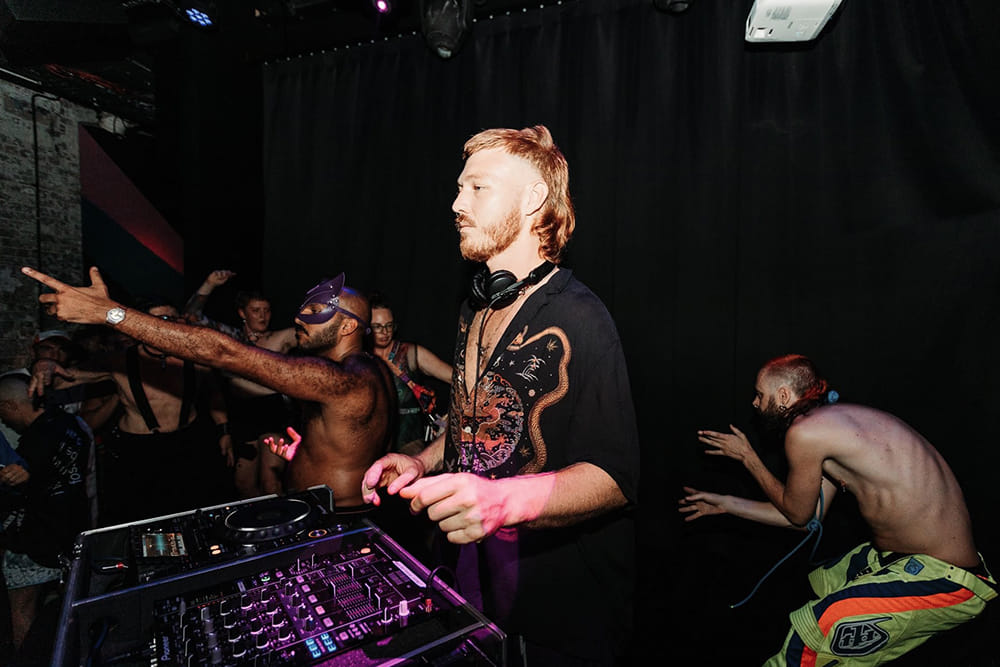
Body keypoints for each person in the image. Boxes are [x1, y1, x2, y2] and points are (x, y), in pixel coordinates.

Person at [361, 125, 640, 665]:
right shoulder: (477, 309)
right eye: (460, 187)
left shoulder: (580, 317)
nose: (456, 202)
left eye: (478, 188)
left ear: (534, 199)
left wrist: (503, 502)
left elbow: (616, 479)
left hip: (559, 608)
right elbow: (475, 425)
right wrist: (419, 461)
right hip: (480, 581)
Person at [679, 354, 997, 666]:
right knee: (822, 581)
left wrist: (749, 458)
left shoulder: (805, 433)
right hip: (898, 560)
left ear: (784, 395)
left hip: (944, 577)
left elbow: (798, 514)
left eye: (760, 395)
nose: (755, 404)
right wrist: (727, 504)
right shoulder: (833, 427)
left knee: (811, 637)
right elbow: (807, 520)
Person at [21, 268, 396, 511]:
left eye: (315, 313)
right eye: (303, 308)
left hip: (338, 517)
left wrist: (109, 313)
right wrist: (309, 452)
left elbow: (219, 350)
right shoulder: (365, 369)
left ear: (347, 327)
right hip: (323, 506)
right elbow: (355, 440)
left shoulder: (347, 379)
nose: (299, 317)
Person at [28, 299, 234, 525]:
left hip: (187, 442)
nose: (165, 324)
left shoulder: (196, 359)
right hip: (139, 449)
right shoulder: (120, 361)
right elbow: (64, 378)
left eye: (171, 319)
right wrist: (43, 365)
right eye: (158, 319)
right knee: (143, 519)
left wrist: (223, 431)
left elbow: (214, 393)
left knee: (193, 513)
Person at [184, 269, 297, 497]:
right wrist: (209, 283)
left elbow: (311, 334)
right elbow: (191, 318)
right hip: (242, 417)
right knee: (244, 486)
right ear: (242, 313)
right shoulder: (232, 339)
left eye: (266, 310)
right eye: (256, 311)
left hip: (272, 414)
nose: (263, 316)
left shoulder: (280, 338)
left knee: (271, 484)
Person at [0, 373, 92, 655]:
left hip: (35, 538)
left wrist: (17, 480)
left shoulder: (35, 440)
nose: (3, 421)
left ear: (12, 406)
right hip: (69, 532)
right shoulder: (69, 423)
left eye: (2, 411)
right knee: (67, 609)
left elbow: (26, 481)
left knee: (23, 609)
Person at [369, 292, 452, 455]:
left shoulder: (410, 353)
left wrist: (454, 415)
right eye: (377, 327)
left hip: (408, 440)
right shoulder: (359, 358)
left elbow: (458, 379)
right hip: (371, 441)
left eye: (389, 325)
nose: (385, 332)